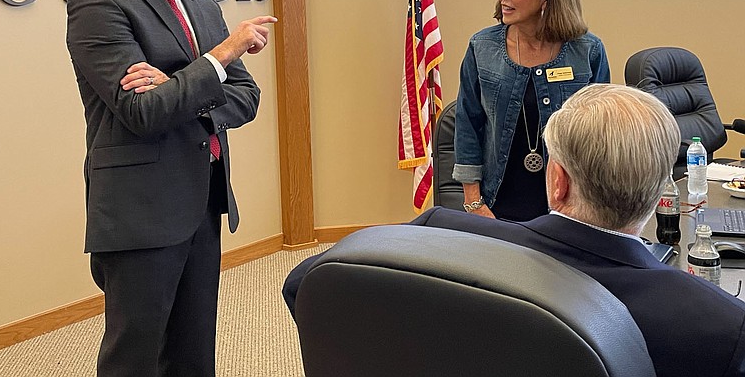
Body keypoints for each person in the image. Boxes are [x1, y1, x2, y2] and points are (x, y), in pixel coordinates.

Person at [284, 85, 745, 377]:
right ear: (662, 187)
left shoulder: (436, 232)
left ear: (557, 179)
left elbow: (307, 285)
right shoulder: (719, 324)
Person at [66, 0, 276, 377]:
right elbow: (142, 113)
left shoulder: (201, 5)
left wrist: (178, 84)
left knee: (193, 349)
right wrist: (220, 56)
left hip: (203, 199)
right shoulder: (98, 3)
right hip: (141, 207)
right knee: (135, 355)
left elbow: (246, 98)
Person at [454, 0, 610, 221]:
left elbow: (599, 137)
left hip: (568, 209)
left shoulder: (588, 52)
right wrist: (473, 202)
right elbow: (468, 123)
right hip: (495, 203)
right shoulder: (482, 47)